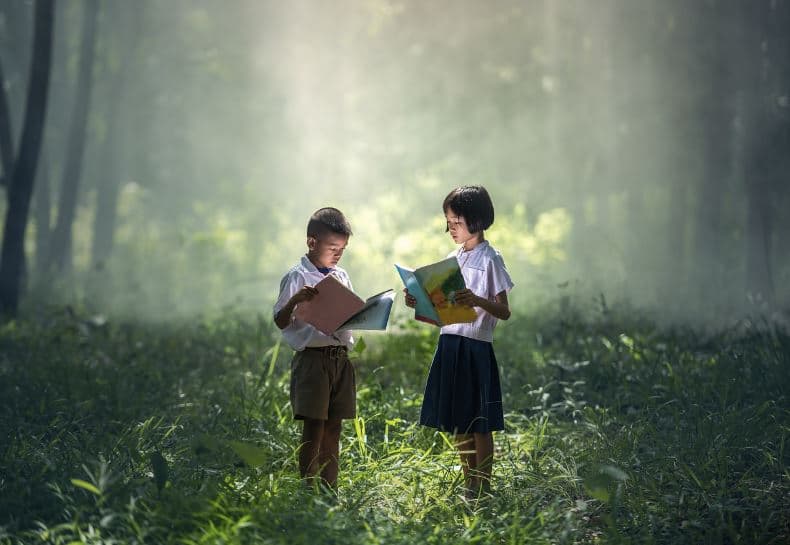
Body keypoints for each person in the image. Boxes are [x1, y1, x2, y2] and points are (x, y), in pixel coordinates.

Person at [404, 186, 513, 498]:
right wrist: (419, 301)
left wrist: (477, 299)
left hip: (476, 346)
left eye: (455, 222)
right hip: (450, 344)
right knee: (459, 422)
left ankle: (485, 488)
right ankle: (470, 486)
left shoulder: (491, 259)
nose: (449, 229)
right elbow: (440, 310)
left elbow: (504, 311)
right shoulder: (452, 259)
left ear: (476, 221)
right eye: (447, 223)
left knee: (481, 422)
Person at [273, 207, 356, 490]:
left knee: (334, 426)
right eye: (332, 247)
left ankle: (329, 487)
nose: (337, 254)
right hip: (313, 360)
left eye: (342, 248)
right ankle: (308, 488)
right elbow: (280, 321)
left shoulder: (341, 275)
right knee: (314, 427)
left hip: (339, 359)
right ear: (312, 242)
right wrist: (295, 301)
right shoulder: (297, 276)